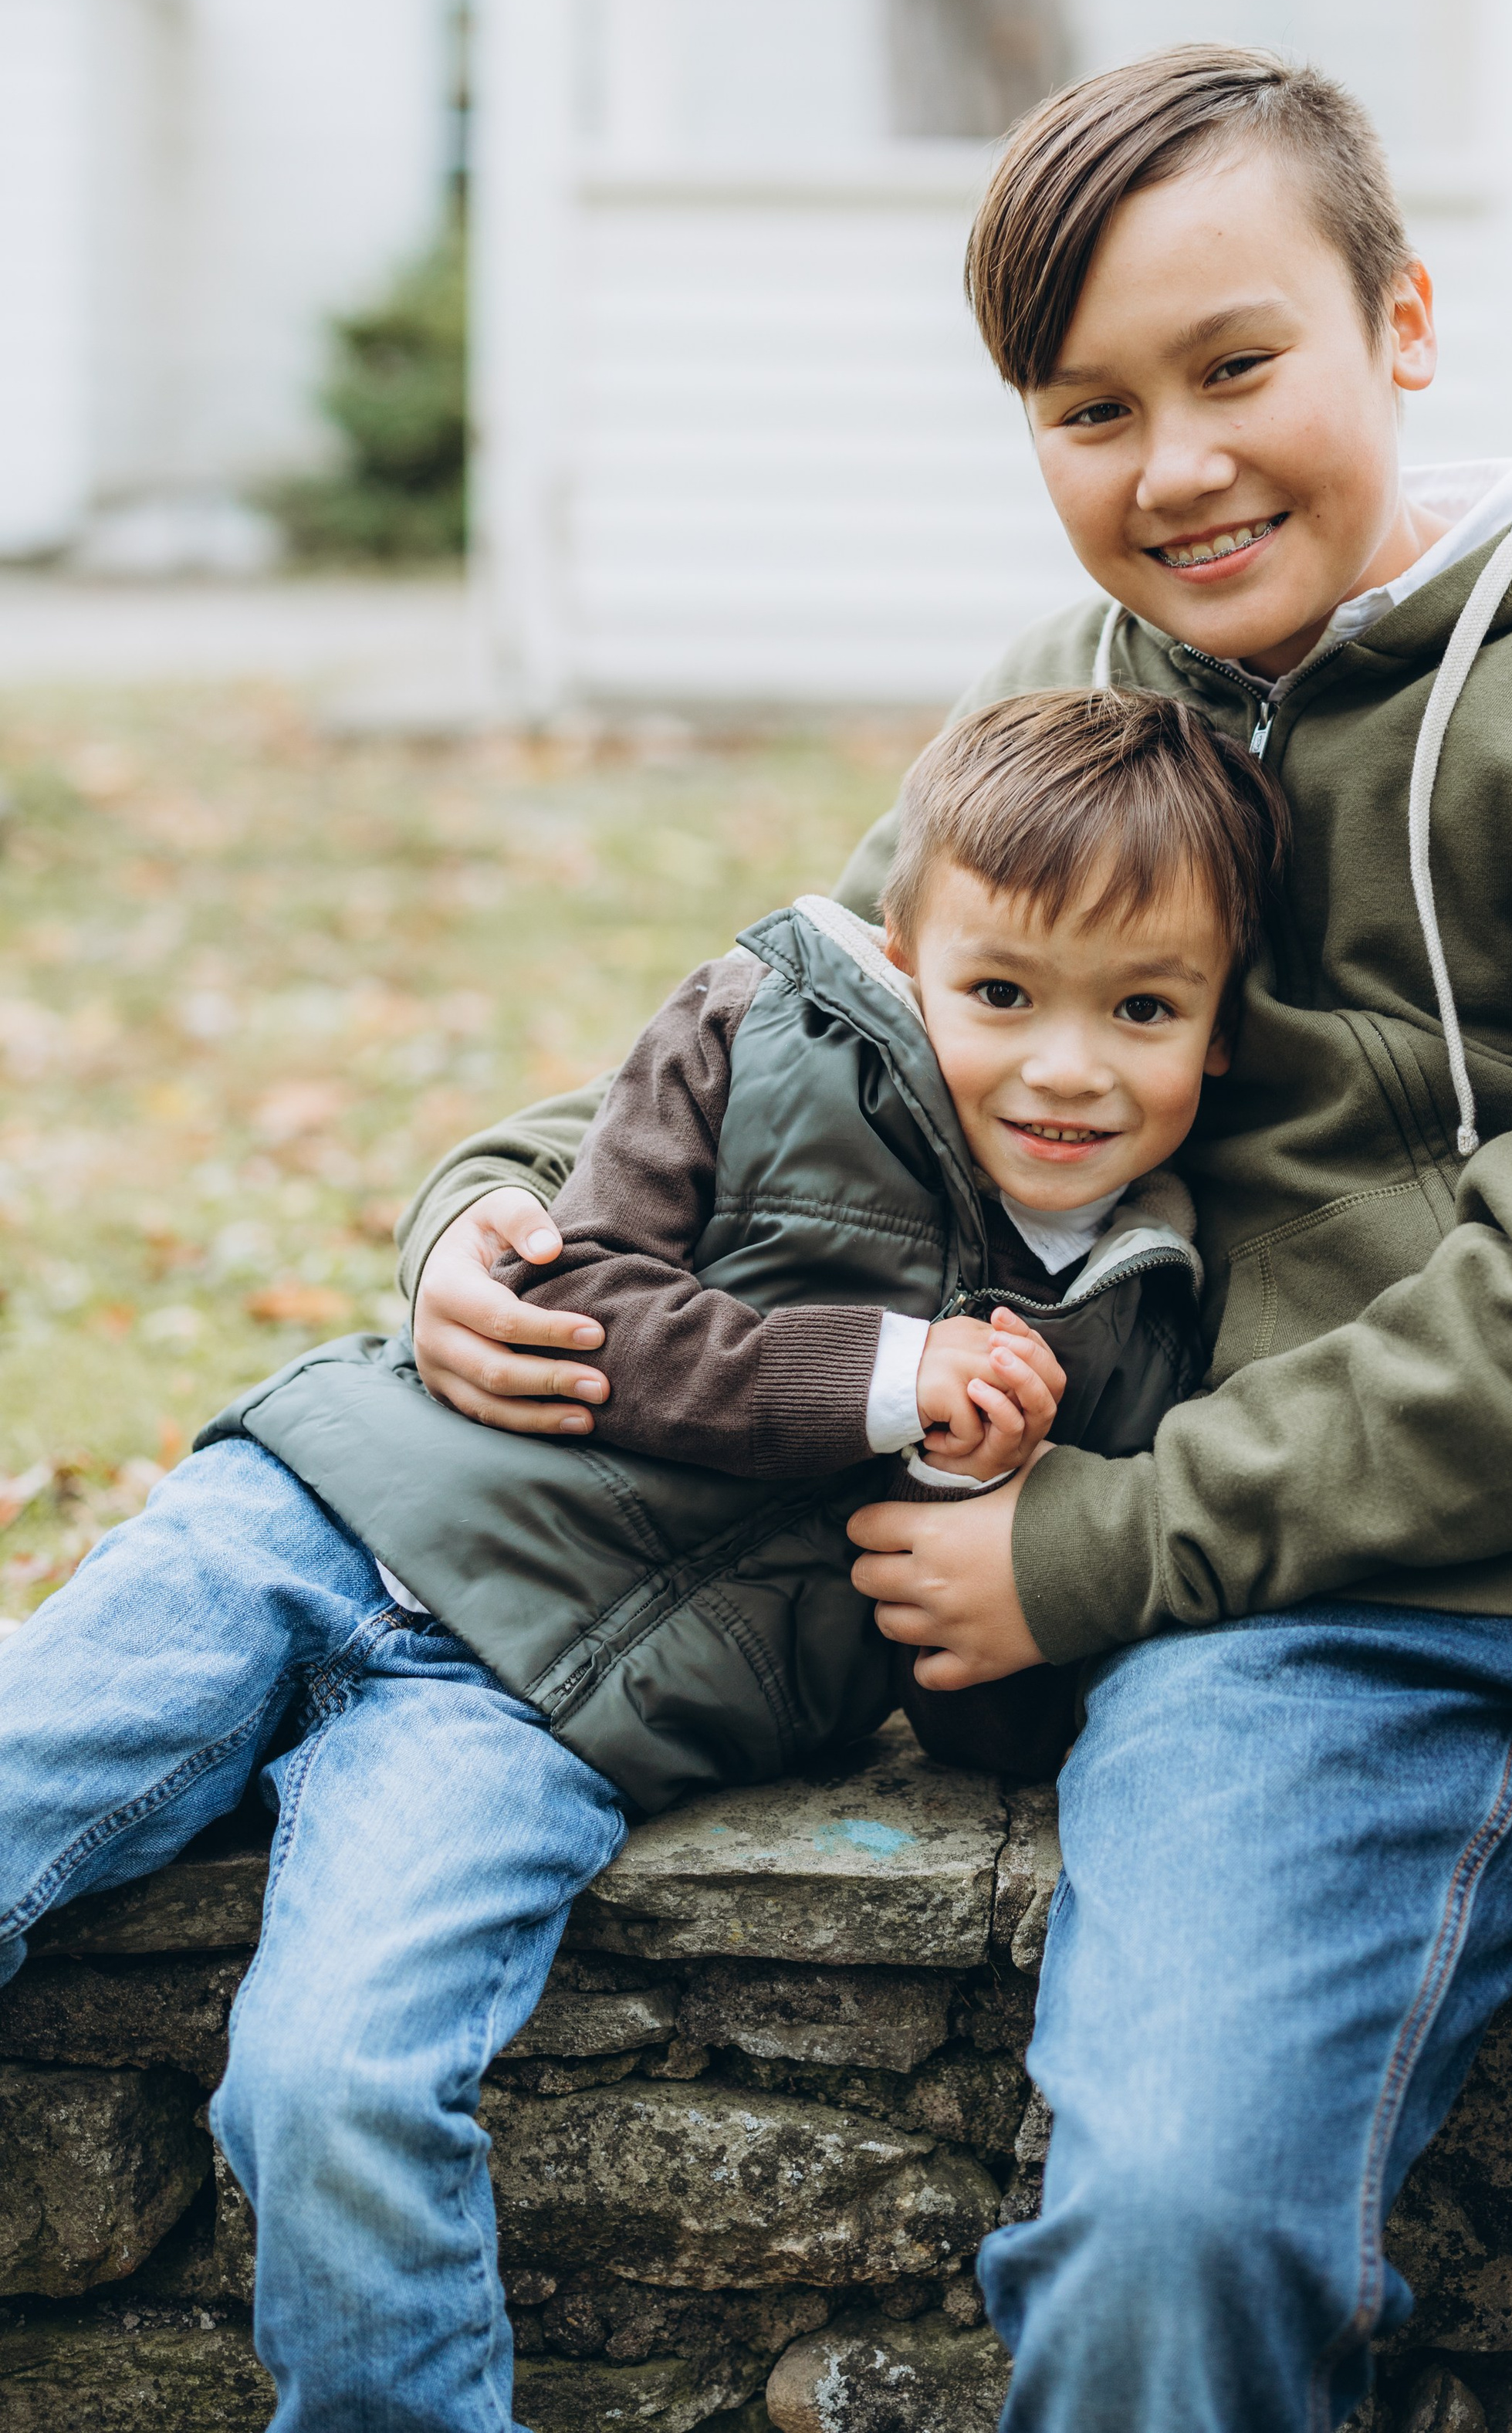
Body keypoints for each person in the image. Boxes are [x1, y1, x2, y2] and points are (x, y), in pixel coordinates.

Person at [419, 46, 1512, 2432]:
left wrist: (1107, 1539)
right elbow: (813, 1034)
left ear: (1403, 322)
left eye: (1238, 367)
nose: (1176, 466)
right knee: (1166, 2237)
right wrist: (493, 1205)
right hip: (1304, 1623)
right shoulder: (1060, 713)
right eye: (1089, 409)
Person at [0, 683, 1284, 2433]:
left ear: (1221, 1030)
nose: (1067, 1065)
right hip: (319, 1517)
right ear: (908, 955)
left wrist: (995, 1501)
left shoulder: (1142, 1325)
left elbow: (988, 1713)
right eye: (1002, 994)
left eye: (1141, 1008)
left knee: (337, 2084)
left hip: (531, 1722)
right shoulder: (767, 1021)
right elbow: (585, 1298)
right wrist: (888, 1379)